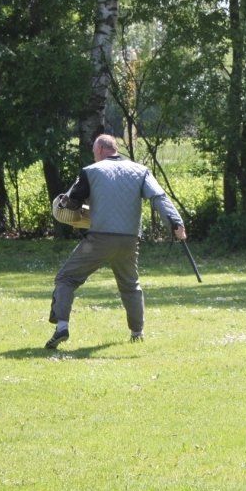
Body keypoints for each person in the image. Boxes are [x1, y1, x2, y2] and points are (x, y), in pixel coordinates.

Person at [45, 134, 186, 349]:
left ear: (101, 150)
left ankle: (62, 327)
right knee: (130, 286)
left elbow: (72, 203)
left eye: (94, 152)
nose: (94, 156)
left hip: (99, 239)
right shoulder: (140, 171)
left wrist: (68, 205)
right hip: (129, 241)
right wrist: (176, 223)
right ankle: (137, 333)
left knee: (66, 278)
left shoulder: (90, 171)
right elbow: (159, 197)